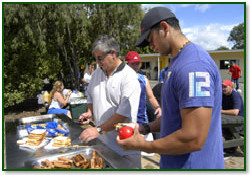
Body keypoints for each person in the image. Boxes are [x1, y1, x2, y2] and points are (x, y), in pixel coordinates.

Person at [117, 7, 224, 169]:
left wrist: (142, 146)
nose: (150, 46)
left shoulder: (194, 66)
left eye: (151, 39)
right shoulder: (176, 62)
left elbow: (193, 138)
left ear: (165, 28)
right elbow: (174, 117)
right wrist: (145, 128)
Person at [78, 35, 141, 168]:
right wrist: (90, 111)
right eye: (95, 58)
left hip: (125, 149)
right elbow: (90, 94)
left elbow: (123, 115)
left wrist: (99, 129)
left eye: (100, 58)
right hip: (103, 146)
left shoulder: (129, 77)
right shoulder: (97, 73)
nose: (97, 62)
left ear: (112, 54)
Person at [125, 51, 162, 142]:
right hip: (126, 121)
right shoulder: (121, 79)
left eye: (137, 64)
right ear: (127, 64)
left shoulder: (143, 79)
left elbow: (151, 97)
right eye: (133, 64)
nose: (136, 66)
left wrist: (157, 107)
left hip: (142, 121)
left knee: (149, 151)